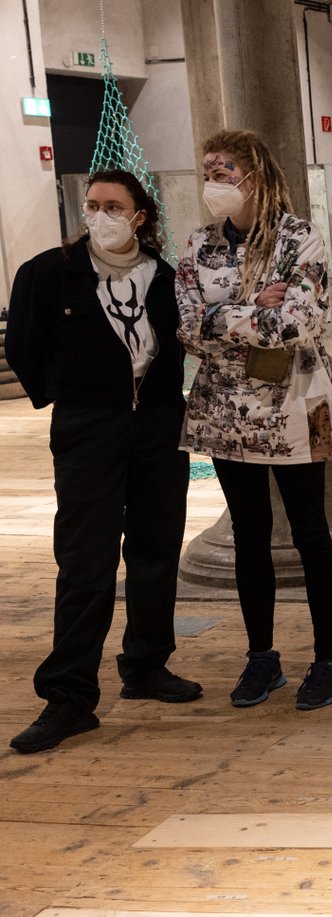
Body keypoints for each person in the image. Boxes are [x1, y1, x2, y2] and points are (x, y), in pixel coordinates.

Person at [5, 170, 200, 754]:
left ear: (140, 216)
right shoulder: (47, 273)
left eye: (113, 205)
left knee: (156, 548)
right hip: (88, 427)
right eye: (92, 205)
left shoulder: (167, 278)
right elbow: (24, 348)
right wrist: (72, 393)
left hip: (159, 424)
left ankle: (145, 665)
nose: (100, 214)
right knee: (86, 557)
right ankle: (67, 697)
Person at [176, 129, 332, 711]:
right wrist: (251, 311)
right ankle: (261, 658)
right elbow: (186, 326)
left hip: (298, 406)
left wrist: (221, 317)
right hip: (228, 411)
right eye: (207, 170)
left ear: (254, 175)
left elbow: (300, 323)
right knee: (249, 535)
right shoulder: (200, 246)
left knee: (309, 531)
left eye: (224, 171)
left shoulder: (299, 239)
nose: (213, 181)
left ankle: (328, 661)